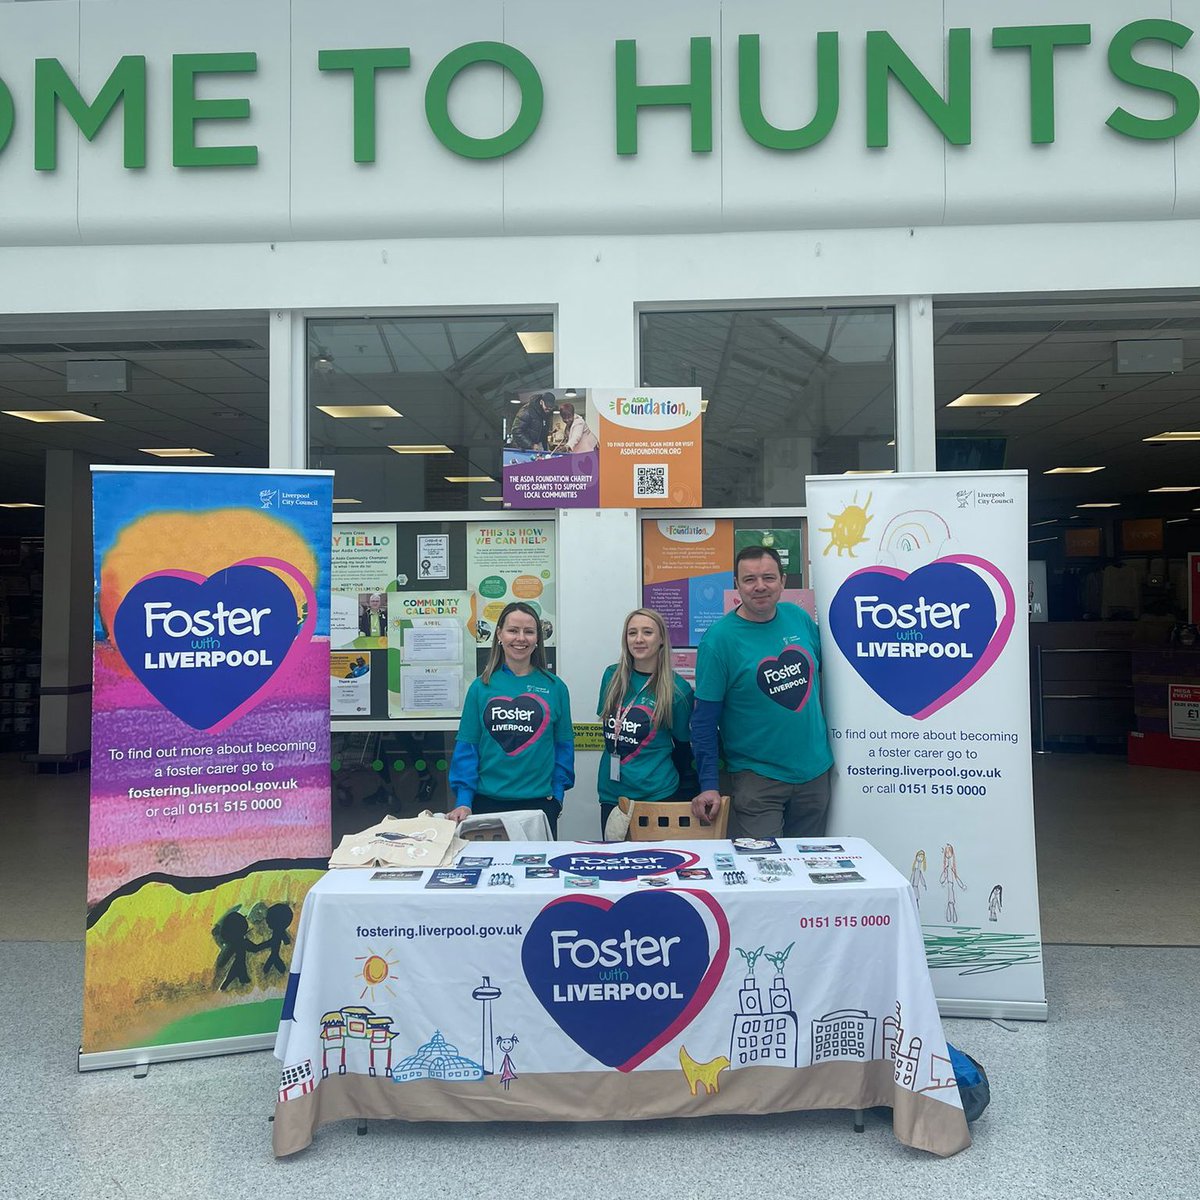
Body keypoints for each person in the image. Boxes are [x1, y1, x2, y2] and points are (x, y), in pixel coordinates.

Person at [691, 545, 833, 839]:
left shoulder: (799, 619)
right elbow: (703, 721)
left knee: (810, 872)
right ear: (736, 585)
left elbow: (827, 682)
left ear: (783, 581)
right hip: (757, 780)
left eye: (768, 577)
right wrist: (709, 784)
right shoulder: (718, 641)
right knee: (764, 870)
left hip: (815, 775)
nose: (759, 587)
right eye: (749, 579)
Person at [448, 601, 574, 836]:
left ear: (538, 638)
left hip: (539, 807)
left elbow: (564, 748)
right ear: (499, 635)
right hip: (486, 805)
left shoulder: (556, 688)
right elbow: (468, 747)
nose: (521, 638)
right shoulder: (481, 687)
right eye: (513, 630)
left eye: (529, 631)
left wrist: (557, 795)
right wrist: (464, 799)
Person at [596, 608, 695, 837]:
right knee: (616, 866)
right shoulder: (611, 677)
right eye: (632, 633)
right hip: (613, 795)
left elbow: (682, 748)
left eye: (647, 632)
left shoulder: (677, 689)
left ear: (661, 639)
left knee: (658, 868)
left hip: (657, 796)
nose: (638, 639)